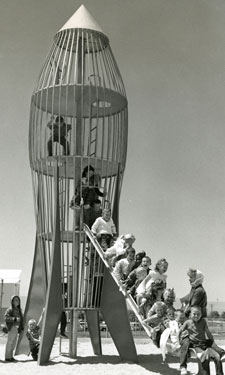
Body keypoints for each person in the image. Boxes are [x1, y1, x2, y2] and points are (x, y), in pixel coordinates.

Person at [179, 306, 224, 375]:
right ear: (190, 314)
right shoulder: (188, 322)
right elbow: (180, 331)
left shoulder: (203, 321)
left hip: (204, 343)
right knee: (205, 357)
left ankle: (220, 373)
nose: (196, 316)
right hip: (196, 345)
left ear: (201, 314)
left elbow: (208, 332)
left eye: (198, 314)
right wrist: (178, 340)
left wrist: (212, 341)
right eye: (194, 314)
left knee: (217, 357)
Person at [4, 295, 24, 362]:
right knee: (10, 342)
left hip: (17, 328)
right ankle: (7, 357)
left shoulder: (19, 310)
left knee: (14, 343)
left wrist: (21, 327)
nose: (17, 301)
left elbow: (21, 319)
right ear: (12, 301)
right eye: (15, 300)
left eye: (18, 300)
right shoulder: (9, 309)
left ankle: (11, 356)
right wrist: (14, 319)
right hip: (12, 327)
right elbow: (6, 318)